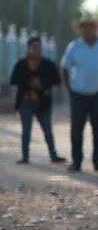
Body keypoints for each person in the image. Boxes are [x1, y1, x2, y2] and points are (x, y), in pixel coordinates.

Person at [60, 15, 98, 173]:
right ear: (81, 29)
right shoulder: (74, 46)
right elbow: (65, 67)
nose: (87, 29)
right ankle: (76, 162)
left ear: (96, 28)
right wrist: (69, 89)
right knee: (77, 129)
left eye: (90, 26)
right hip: (78, 93)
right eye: (84, 26)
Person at [11, 36, 65, 165]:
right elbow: (14, 80)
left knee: (47, 129)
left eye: (39, 47)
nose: (37, 50)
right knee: (26, 130)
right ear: (28, 48)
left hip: (43, 101)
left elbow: (57, 80)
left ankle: (53, 155)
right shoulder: (21, 64)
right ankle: (25, 156)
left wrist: (42, 84)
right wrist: (29, 83)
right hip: (25, 101)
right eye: (34, 47)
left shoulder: (48, 64)